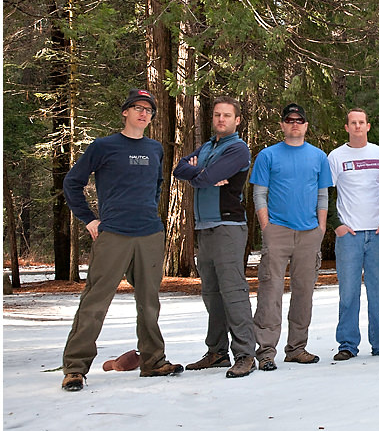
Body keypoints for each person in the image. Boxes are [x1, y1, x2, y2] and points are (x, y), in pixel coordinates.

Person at [60, 88, 183, 391]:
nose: (144, 113)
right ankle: (75, 368)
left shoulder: (155, 149)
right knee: (95, 301)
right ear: (125, 112)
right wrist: (89, 219)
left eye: (149, 110)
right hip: (113, 234)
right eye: (138, 108)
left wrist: (152, 218)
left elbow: (156, 187)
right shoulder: (103, 147)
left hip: (149, 234)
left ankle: (153, 361)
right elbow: (72, 183)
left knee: (149, 303)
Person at [173, 96, 256, 378]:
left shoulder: (238, 149)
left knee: (233, 292)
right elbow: (179, 169)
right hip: (204, 227)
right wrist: (201, 172)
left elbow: (206, 178)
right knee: (211, 293)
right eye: (217, 115)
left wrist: (201, 174)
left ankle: (245, 354)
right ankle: (217, 352)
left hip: (228, 227)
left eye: (227, 115)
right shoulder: (208, 146)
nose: (221, 119)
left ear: (237, 120)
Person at [250, 103, 332, 370]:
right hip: (278, 232)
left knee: (304, 292)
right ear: (283, 125)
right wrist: (267, 227)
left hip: (309, 234)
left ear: (306, 125)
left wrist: (320, 229)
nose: (295, 123)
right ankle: (265, 351)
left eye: (299, 120)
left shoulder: (319, 157)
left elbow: (323, 196)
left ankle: (297, 348)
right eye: (289, 119)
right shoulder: (268, 156)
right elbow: (259, 194)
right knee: (270, 291)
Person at [327, 109, 379, 361]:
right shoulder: (336, 157)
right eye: (352, 123)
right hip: (349, 235)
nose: (357, 126)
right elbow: (327, 193)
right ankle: (347, 344)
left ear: (368, 126)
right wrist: (337, 225)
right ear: (346, 127)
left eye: (361, 122)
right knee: (348, 292)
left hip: (377, 233)